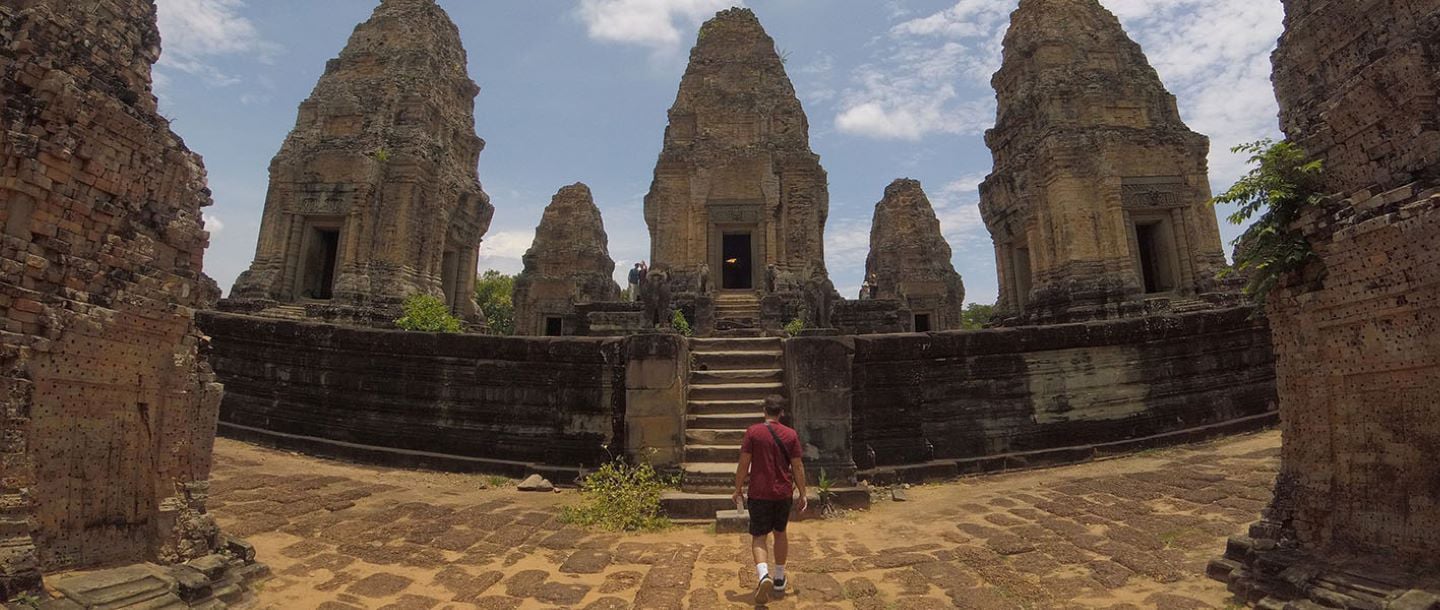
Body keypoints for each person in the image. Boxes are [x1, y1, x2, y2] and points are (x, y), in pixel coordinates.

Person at [733, 395, 807, 604]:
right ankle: (779, 577)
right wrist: (802, 493)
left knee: (758, 536)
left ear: (764, 411)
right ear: (781, 413)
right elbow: (798, 466)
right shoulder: (791, 435)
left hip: (759, 492)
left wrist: (738, 488)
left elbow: (743, 464)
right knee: (780, 533)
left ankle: (763, 574)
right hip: (783, 492)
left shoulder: (753, 433)